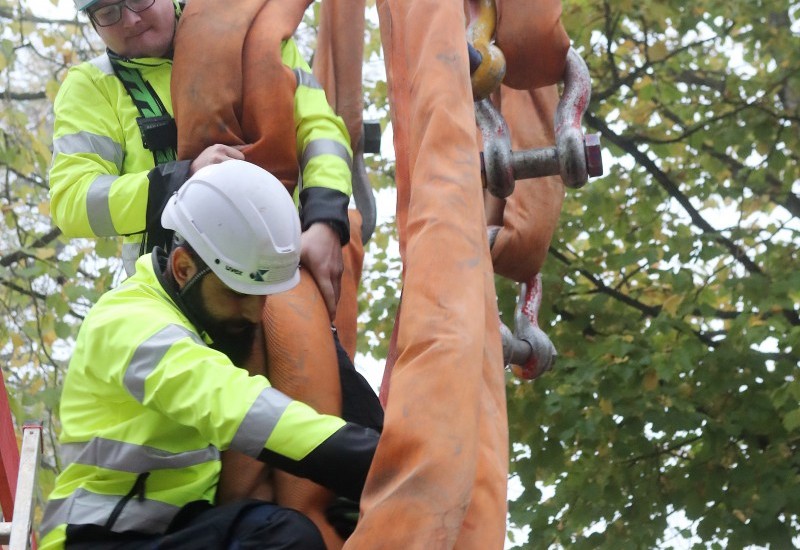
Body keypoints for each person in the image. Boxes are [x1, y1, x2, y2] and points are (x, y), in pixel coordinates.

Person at [38, 160, 380, 550]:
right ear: (183, 268)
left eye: (261, 296)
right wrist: (378, 463)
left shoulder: (207, 324)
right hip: (96, 539)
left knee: (287, 537)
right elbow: (235, 405)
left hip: (182, 529)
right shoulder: (129, 323)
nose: (253, 314)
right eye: (237, 295)